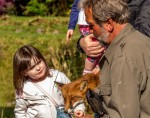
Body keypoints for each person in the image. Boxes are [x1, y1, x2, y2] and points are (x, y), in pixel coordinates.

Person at [78, 0, 150, 118]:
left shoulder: (123, 57)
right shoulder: (139, 40)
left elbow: (124, 114)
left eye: (91, 25)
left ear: (108, 24)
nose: (90, 31)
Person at [13, 45, 85, 118]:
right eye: (32, 67)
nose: (38, 68)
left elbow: (74, 95)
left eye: (39, 62)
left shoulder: (58, 77)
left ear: (43, 59)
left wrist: (79, 109)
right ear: (24, 72)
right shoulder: (23, 89)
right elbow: (20, 112)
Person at [66, 0, 105, 75]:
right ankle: (88, 70)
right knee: (94, 45)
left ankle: (98, 66)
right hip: (85, 24)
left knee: (103, 45)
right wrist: (71, 27)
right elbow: (75, 8)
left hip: (99, 21)